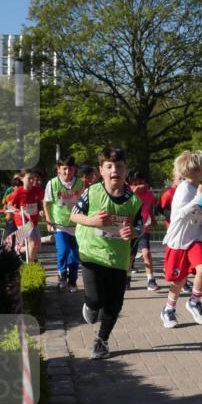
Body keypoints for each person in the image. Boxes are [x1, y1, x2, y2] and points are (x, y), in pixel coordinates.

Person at [71, 145, 144, 360]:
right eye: (109, 166)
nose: (114, 170)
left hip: (118, 259)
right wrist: (92, 221)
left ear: (125, 170)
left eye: (119, 166)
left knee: (115, 303)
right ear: (101, 170)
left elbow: (140, 226)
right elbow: (74, 216)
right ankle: (91, 305)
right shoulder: (91, 192)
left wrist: (133, 232)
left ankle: (101, 340)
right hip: (91, 254)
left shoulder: (133, 200)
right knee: (95, 299)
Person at [160, 151, 202, 327]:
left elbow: (197, 213)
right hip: (178, 241)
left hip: (194, 239)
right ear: (195, 169)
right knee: (179, 280)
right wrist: (197, 199)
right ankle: (168, 309)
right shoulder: (183, 189)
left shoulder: (198, 188)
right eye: (201, 166)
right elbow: (180, 214)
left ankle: (194, 301)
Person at [43, 155, 83, 292]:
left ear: (74, 169)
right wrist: (48, 220)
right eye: (64, 169)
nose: (67, 172)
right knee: (63, 250)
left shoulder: (80, 184)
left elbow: (84, 202)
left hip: (76, 224)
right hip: (59, 224)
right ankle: (61, 274)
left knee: (74, 255)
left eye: (70, 169)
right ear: (58, 170)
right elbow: (46, 203)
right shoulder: (52, 183)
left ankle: (72, 281)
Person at [126, 169, 159, 292]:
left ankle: (151, 280)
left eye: (138, 182)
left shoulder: (149, 194)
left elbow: (149, 208)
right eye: (133, 183)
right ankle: (127, 279)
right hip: (130, 228)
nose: (137, 185)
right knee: (130, 256)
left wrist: (153, 219)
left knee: (146, 253)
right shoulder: (127, 192)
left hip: (143, 228)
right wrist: (133, 191)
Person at [8, 169, 45, 263]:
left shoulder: (37, 190)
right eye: (29, 178)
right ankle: (30, 266)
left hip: (33, 221)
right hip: (22, 221)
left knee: (38, 245)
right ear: (22, 179)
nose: (32, 181)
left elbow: (44, 200)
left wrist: (41, 210)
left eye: (33, 178)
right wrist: (18, 211)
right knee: (32, 243)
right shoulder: (18, 192)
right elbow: (9, 205)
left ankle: (19, 250)